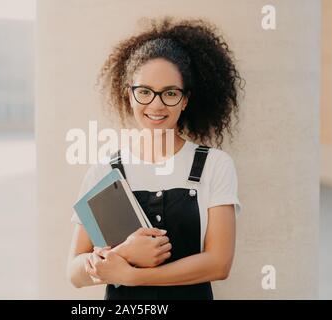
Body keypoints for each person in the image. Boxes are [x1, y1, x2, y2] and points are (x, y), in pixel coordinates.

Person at [67, 17, 244, 300]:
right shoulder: (104, 171)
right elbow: (75, 272)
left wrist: (133, 276)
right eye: (145, 92)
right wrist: (123, 252)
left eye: (170, 93)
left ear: (185, 100)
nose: (156, 105)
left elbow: (219, 263)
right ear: (129, 95)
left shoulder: (214, 165)